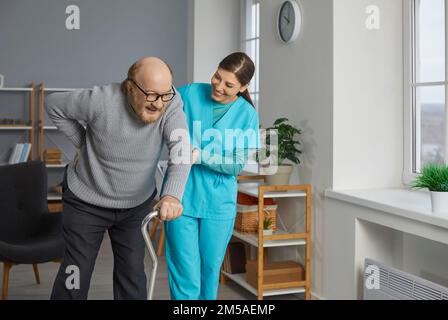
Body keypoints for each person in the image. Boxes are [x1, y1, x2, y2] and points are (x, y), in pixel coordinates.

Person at [46, 57, 192, 300]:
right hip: (86, 201)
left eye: (165, 94)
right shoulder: (101, 100)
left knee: (132, 275)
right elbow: (53, 104)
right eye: (151, 94)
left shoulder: (172, 103)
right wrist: (83, 142)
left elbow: (181, 147)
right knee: (76, 274)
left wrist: (172, 195)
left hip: (135, 205)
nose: (158, 103)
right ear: (130, 87)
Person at [164, 52, 260, 300]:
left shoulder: (247, 115)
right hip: (180, 198)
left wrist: (201, 156)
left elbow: (237, 165)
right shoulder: (189, 93)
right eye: (217, 77)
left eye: (229, 84)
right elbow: (155, 110)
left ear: (243, 87)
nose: (218, 86)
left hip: (218, 205)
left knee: (209, 273)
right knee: (184, 274)